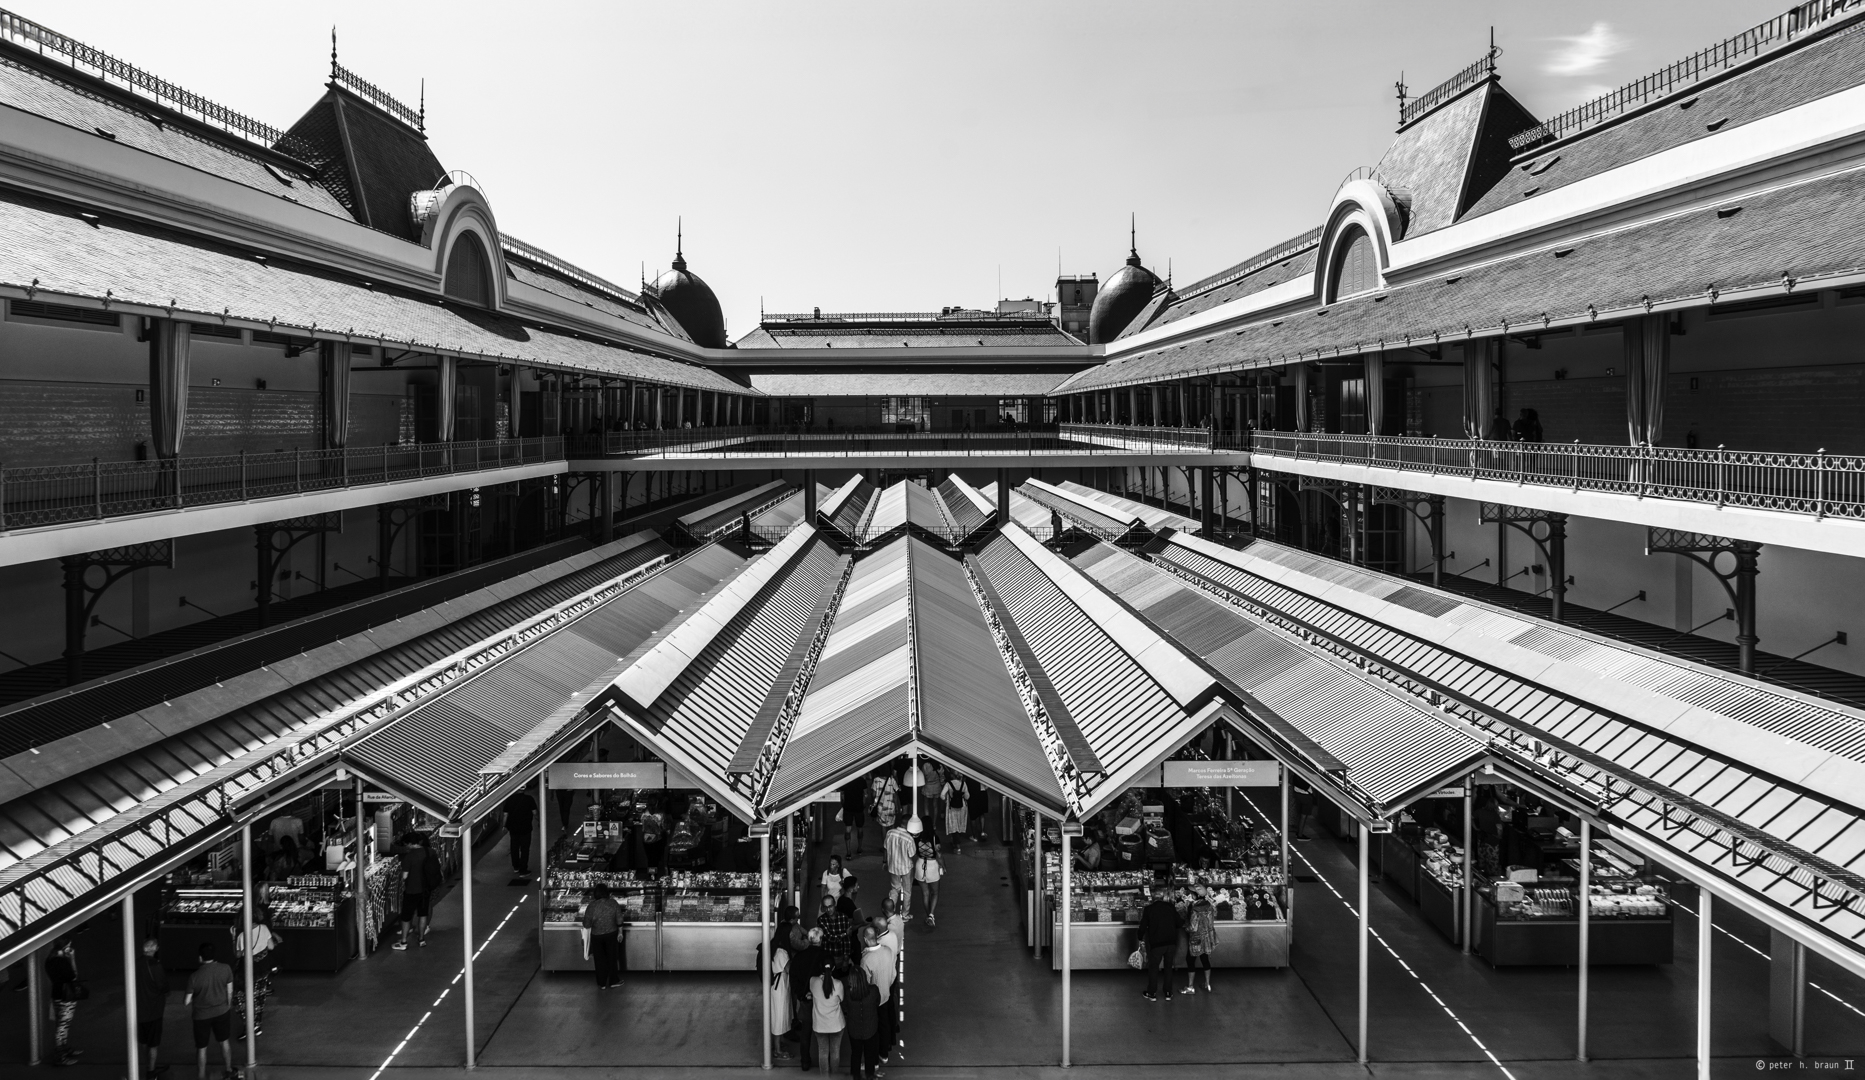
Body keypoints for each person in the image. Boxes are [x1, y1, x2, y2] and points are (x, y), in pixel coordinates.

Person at [185, 942, 236, 1080]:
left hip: (201, 1016)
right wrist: (228, 1006)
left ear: (200, 957)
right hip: (222, 1011)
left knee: (202, 1047)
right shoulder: (225, 969)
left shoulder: (194, 976)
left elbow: (186, 1001)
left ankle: (201, 1076)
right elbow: (230, 991)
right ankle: (229, 1069)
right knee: (224, 1041)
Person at [231, 907, 281, 1035]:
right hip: (263, 968)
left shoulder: (242, 936)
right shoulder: (263, 928)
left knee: (240, 998)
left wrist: (233, 938)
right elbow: (270, 946)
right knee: (259, 997)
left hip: (247, 970)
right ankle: (257, 1025)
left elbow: (237, 955)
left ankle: (250, 1024)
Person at [858, 925, 897, 1062]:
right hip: (886, 995)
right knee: (884, 1025)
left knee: (872, 1030)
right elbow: (893, 975)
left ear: (865, 939)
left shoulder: (866, 960)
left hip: (872, 1002)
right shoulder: (888, 951)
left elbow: (864, 984)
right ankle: (884, 1054)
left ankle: (873, 1060)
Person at [394, 833, 440, 950]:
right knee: (423, 914)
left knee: (406, 916)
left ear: (409, 843)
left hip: (412, 890)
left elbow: (404, 876)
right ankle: (421, 939)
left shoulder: (409, 857)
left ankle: (403, 942)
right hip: (425, 889)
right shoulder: (430, 851)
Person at [1138, 883, 1183, 1002]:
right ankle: (1168, 993)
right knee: (1168, 968)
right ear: (1163, 897)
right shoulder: (1171, 907)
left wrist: (1139, 937)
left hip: (1156, 944)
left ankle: (1151, 993)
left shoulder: (1149, 909)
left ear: (1152, 897)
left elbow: (1143, 927)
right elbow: (1179, 923)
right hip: (1171, 943)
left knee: (1153, 968)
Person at [791, 928, 828, 1072]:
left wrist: (802, 994)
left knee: (806, 1032)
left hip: (806, 1000)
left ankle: (805, 1062)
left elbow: (794, 980)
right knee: (823, 1033)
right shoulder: (825, 956)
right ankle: (825, 1063)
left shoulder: (799, 957)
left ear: (810, 939)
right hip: (822, 1001)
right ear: (821, 939)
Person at [136, 935, 170, 1077]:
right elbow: (163, 987)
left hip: (138, 1010)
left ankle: (149, 1065)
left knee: (143, 1041)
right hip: (153, 1010)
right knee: (153, 1043)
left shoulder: (135, 963)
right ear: (153, 949)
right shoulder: (155, 965)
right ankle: (151, 1071)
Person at [841, 962, 881, 1080]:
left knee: (856, 1053)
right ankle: (870, 1074)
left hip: (854, 1030)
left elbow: (844, 1007)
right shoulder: (873, 991)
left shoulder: (848, 993)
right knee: (870, 1053)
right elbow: (877, 1003)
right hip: (871, 1028)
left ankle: (856, 1075)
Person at [46, 935, 82, 1067]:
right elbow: (74, 976)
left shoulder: (49, 960)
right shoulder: (63, 962)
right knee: (63, 1026)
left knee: (60, 1024)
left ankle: (64, 1050)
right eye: (69, 946)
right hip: (66, 996)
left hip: (56, 994)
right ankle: (60, 1056)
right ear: (65, 948)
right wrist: (72, 959)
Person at [582, 883, 625, 990]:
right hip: (611, 934)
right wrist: (620, 932)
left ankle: (601, 983)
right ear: (607, 893)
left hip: (596, 936)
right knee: (612, 958)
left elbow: (586, 924)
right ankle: (613, 981)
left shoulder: (591, 906)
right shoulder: (613, 903)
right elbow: (619, 919)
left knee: (599, 959)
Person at [810, 964, 846, 1075]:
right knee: (835, 1051)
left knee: (823, 1051)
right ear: (834, 968)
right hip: (836, 1024)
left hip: (819, 1024)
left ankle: (824, 1077)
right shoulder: (838, 984)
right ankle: (834, 1075)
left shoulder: (813, 981)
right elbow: (841, 999)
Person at [1183, 883, 1218, 994]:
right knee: (1205, 959)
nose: (1190, 894)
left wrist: (1185, 927)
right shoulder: (1209, 905)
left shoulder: (1194, 908)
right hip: (1207, 938)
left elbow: (1193, 927)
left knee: (1190, 960)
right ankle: (1207, 984)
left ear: (1196, 895)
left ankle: (1190, 987)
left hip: (1196, 938)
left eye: (1192, 893)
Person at [769, 920, 794, 1061]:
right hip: (780, 987)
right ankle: (777, 1050)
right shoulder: (782, 952)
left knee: (779, 1015)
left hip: (776, 986)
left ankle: (779, 1044)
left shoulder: (774, 946)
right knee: (778, 1017)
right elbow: (789, 969)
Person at [502, 788, 537, 882]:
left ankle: (516, 867)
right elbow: (535, 812)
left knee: (514, 847)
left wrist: (504, 825)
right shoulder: (529, 799)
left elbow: (505, 814)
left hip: (513, 828)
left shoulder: (509, 799)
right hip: (526, 827)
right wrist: (539, 820)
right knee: (525, 849)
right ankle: (523, 870)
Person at [884, 820, 915, 920]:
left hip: (893, 866)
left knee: (894, 889)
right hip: (906, 868)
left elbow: (885, 848)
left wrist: (884, 862)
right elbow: (912, 854)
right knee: (907, 891)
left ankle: (890, 913)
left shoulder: (890, 833)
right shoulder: (909, 838)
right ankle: (905, 915)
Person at [913, 837, 943, 928]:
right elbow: (939, 854)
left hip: (920, 865)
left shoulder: (917, 838)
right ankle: (931, 915)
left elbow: (913, 852)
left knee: (925, 893)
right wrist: (943, 866)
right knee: (935, 893)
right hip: (932, 865)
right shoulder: (934, 838)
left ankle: (928, 915)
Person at [816, 891, 852, 966]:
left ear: (835, 904)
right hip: (827, 957)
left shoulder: (843, 917)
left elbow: (847, 940)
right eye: (826, 907)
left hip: (841, 955)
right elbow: (830, 938)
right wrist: (845, 934)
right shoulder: (821, 920)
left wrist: (846, 957)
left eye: (830, 906)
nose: (828, 910)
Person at [941, 772, 969, 852]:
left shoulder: (948, 784)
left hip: (951, 807)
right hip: (962, 807)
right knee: (959, 824)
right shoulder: (964, 784)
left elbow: (942, 795)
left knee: (953, 825)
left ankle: (957, 845)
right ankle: (957, 841)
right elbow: (967, 796)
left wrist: (946, 800)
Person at [839, 779, 867, 857]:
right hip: (859, 808)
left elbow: (842, 795)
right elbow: (865, 794)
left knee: (848, 830)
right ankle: (859, 848)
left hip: (848, 808)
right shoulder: (862, 781)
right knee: (860, 829)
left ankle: (848, 852)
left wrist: (843, 805)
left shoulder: (846, 780)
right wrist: (863, 805)